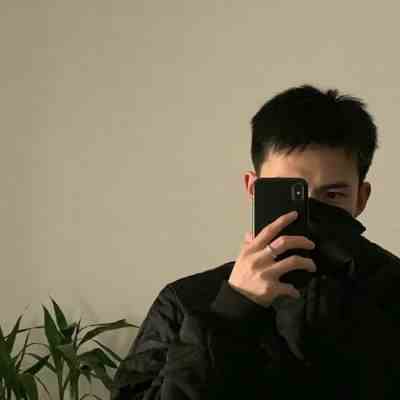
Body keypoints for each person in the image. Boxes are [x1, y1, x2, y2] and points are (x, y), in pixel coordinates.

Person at [110, 85, 400, 399]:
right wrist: (232, 311)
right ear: (253, 189)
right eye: (290, 192)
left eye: (332, 195)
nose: (311, 213)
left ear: (361, 198)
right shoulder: (186, 301)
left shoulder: (393, 291)